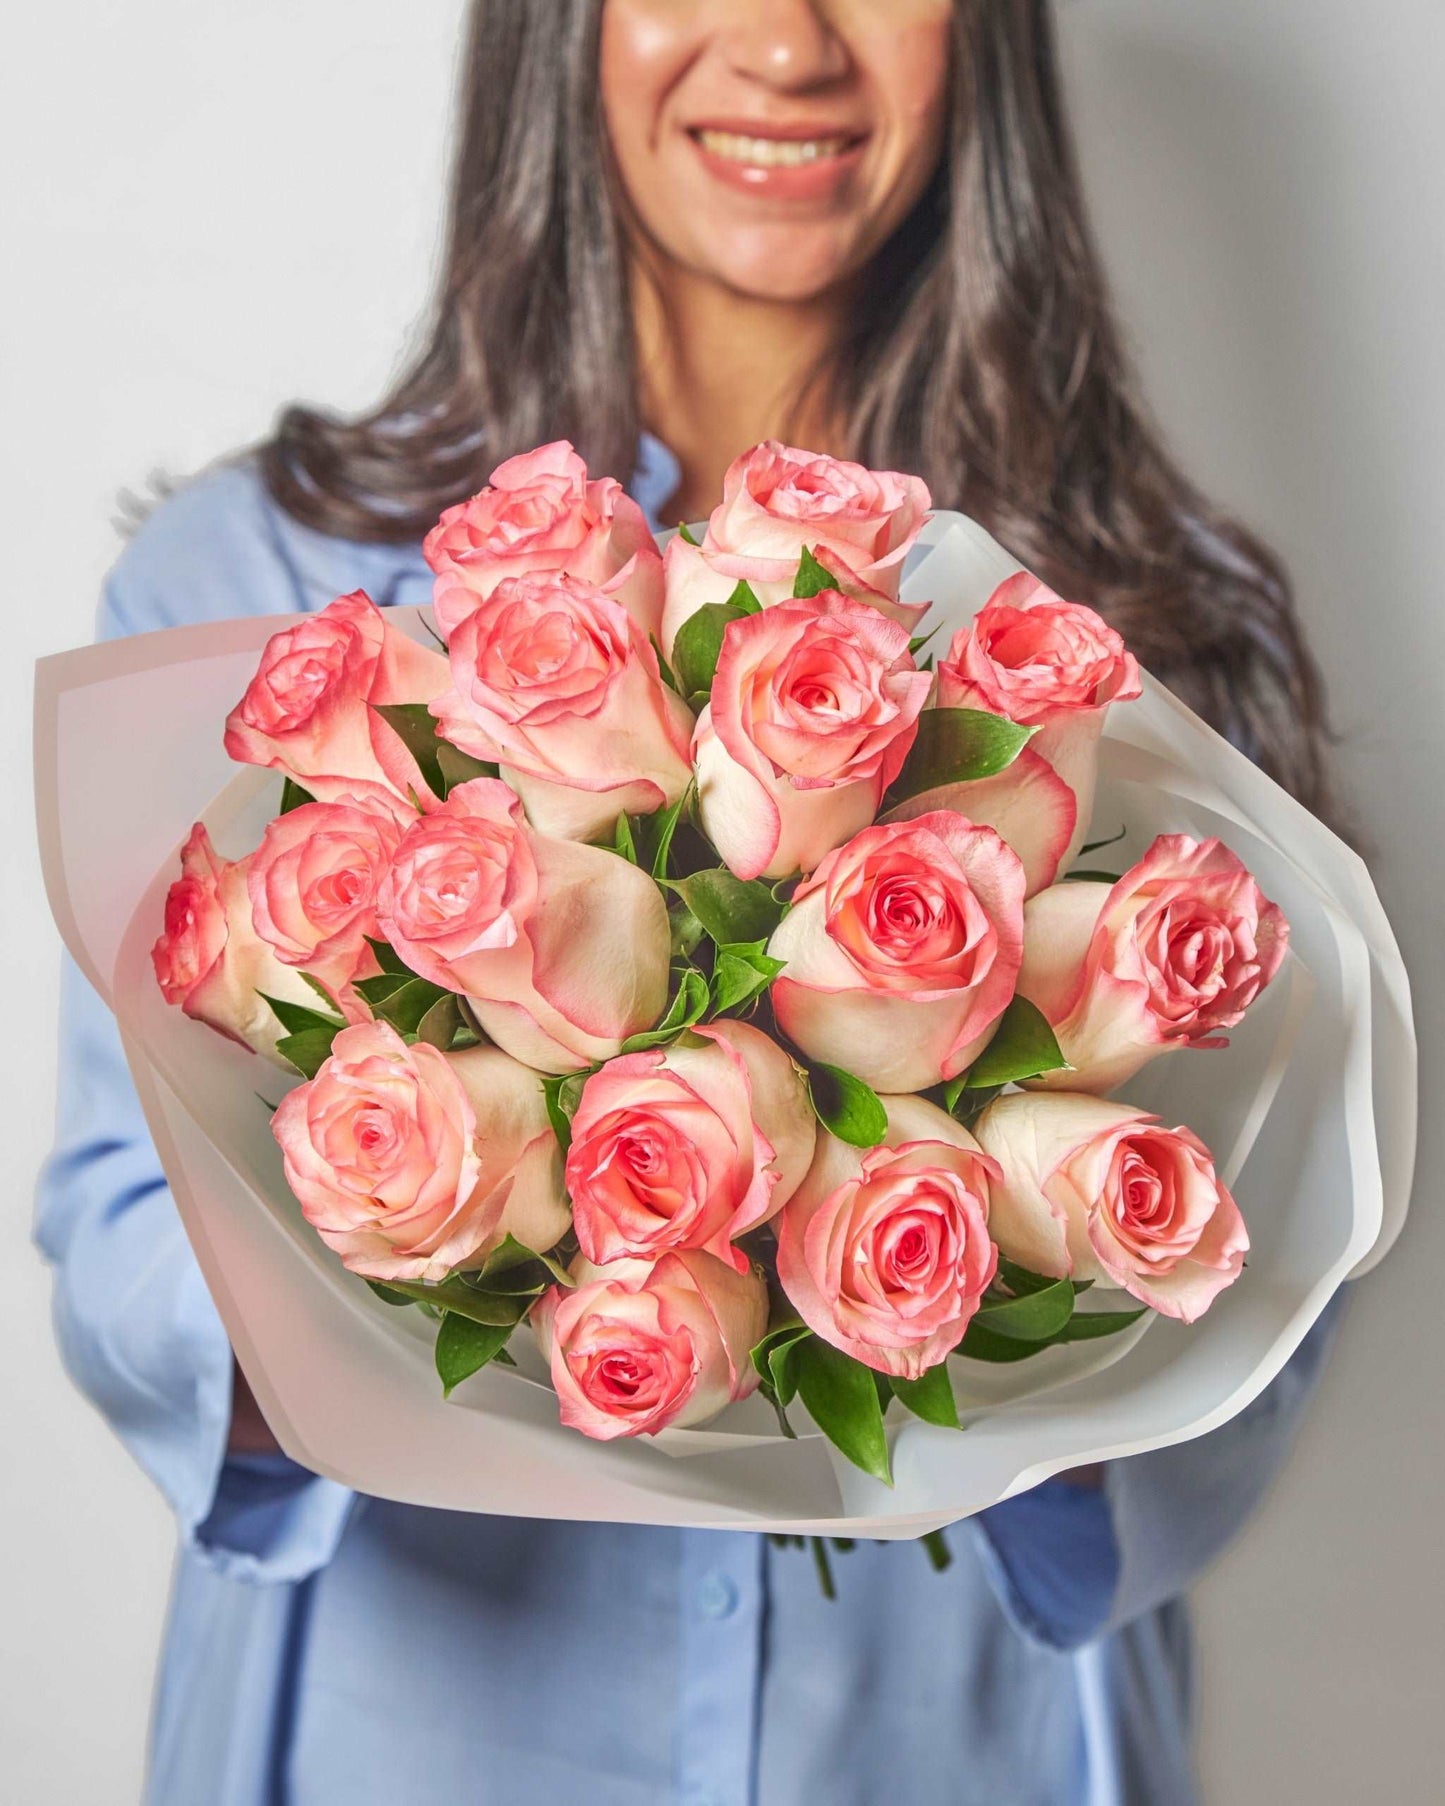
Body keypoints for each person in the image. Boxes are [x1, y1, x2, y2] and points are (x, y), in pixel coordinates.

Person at [34, 4, 1344, 1802]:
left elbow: (1276, 1274)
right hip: (402, 1737)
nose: (788, 45)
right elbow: (114, 1222)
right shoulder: (260, 589)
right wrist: (403, 1228)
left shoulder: (1131, 644)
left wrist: (986, 1244)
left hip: (942, 1741)